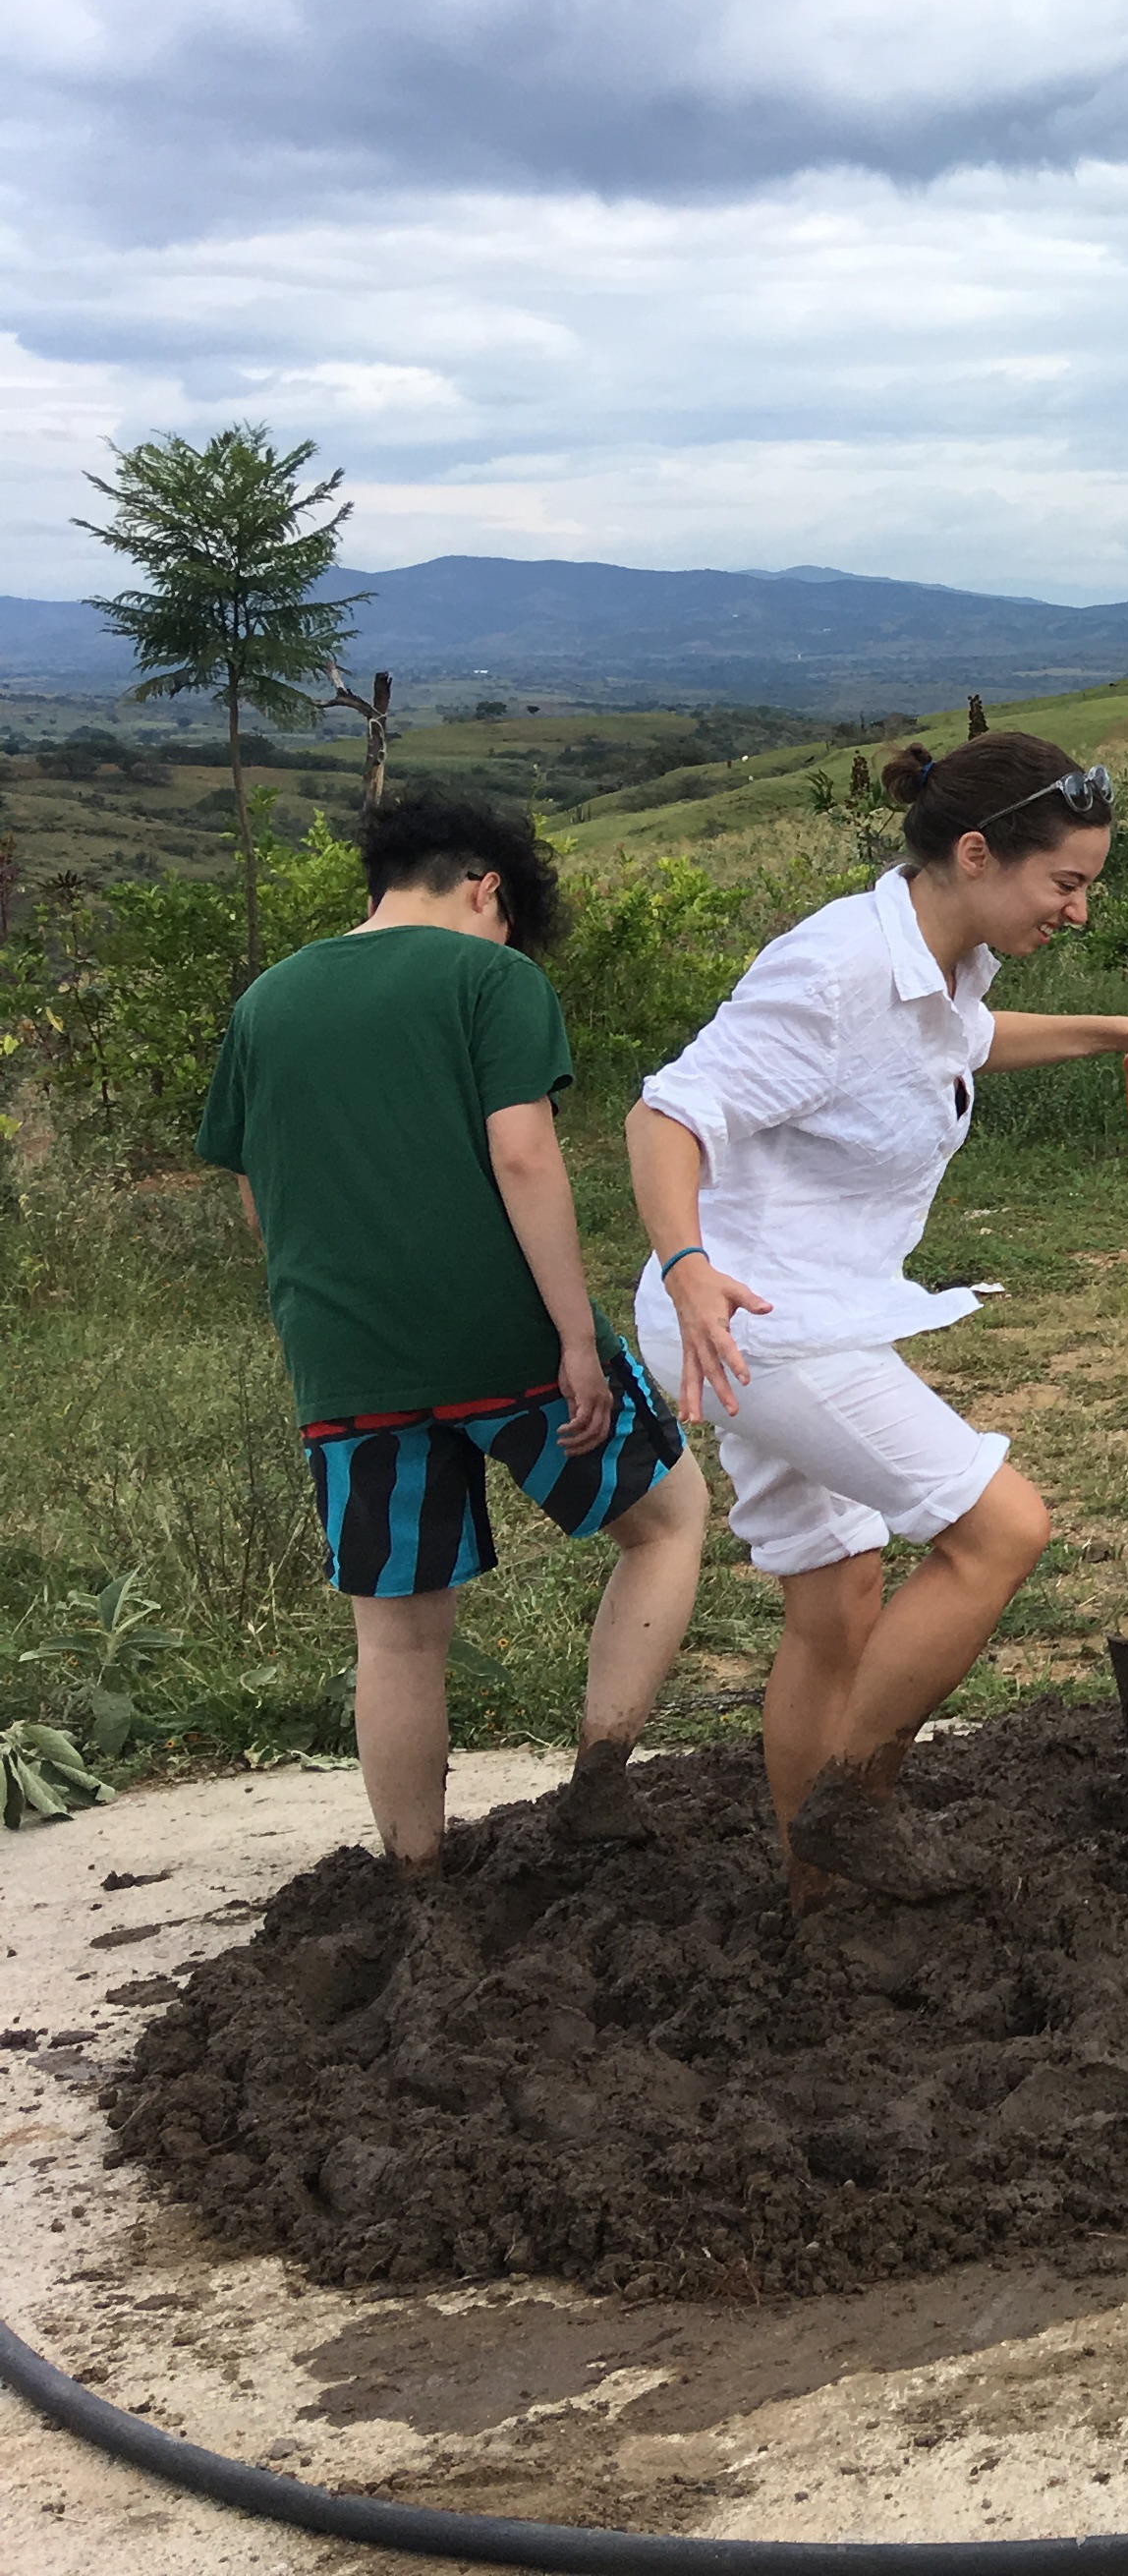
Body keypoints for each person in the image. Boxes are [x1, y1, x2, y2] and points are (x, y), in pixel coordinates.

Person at [625, 734, 1128, 1903]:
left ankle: (819, 1904)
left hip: (814, 1309)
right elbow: (666, 1117)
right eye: (1066, 883)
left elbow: (956, 1043)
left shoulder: (943, 961)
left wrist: (1116, 1031)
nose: (1079, 911)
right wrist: (687, 1264)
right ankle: (855, 1799)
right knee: (1000, 1529)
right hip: (755, 1317)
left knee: (836, 1614)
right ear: (979, 853)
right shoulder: (836, 967)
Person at [197, 793, 708, 1876]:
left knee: (396, 1627)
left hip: (345, 1361)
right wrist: (576, 1336)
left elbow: (259, 1199)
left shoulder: (267, 1002)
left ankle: (416, 1878)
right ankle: (601, 1781)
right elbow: (523, 1157)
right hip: (502, 1337)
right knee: (668, 1515)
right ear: (487, 889)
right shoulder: (491, 978)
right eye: (509, 914)